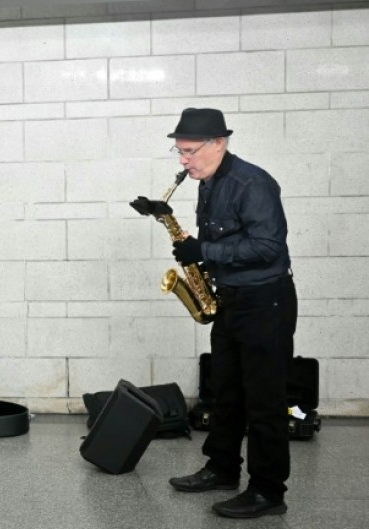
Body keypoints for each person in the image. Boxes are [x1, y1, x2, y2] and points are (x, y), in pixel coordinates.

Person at [165, 108, 297, 518]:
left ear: (218, 143)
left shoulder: (252, 183)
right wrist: (181, 234)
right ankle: (222, 468)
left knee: (263, 401)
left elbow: (268, 247)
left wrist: (203, 251)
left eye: (189, 151)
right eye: (179, 151)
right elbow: (222, 236)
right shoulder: (208, 180)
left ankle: (267, 492)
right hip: (230, 299)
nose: (183, 160)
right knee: (226, 391)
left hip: (265, 302)